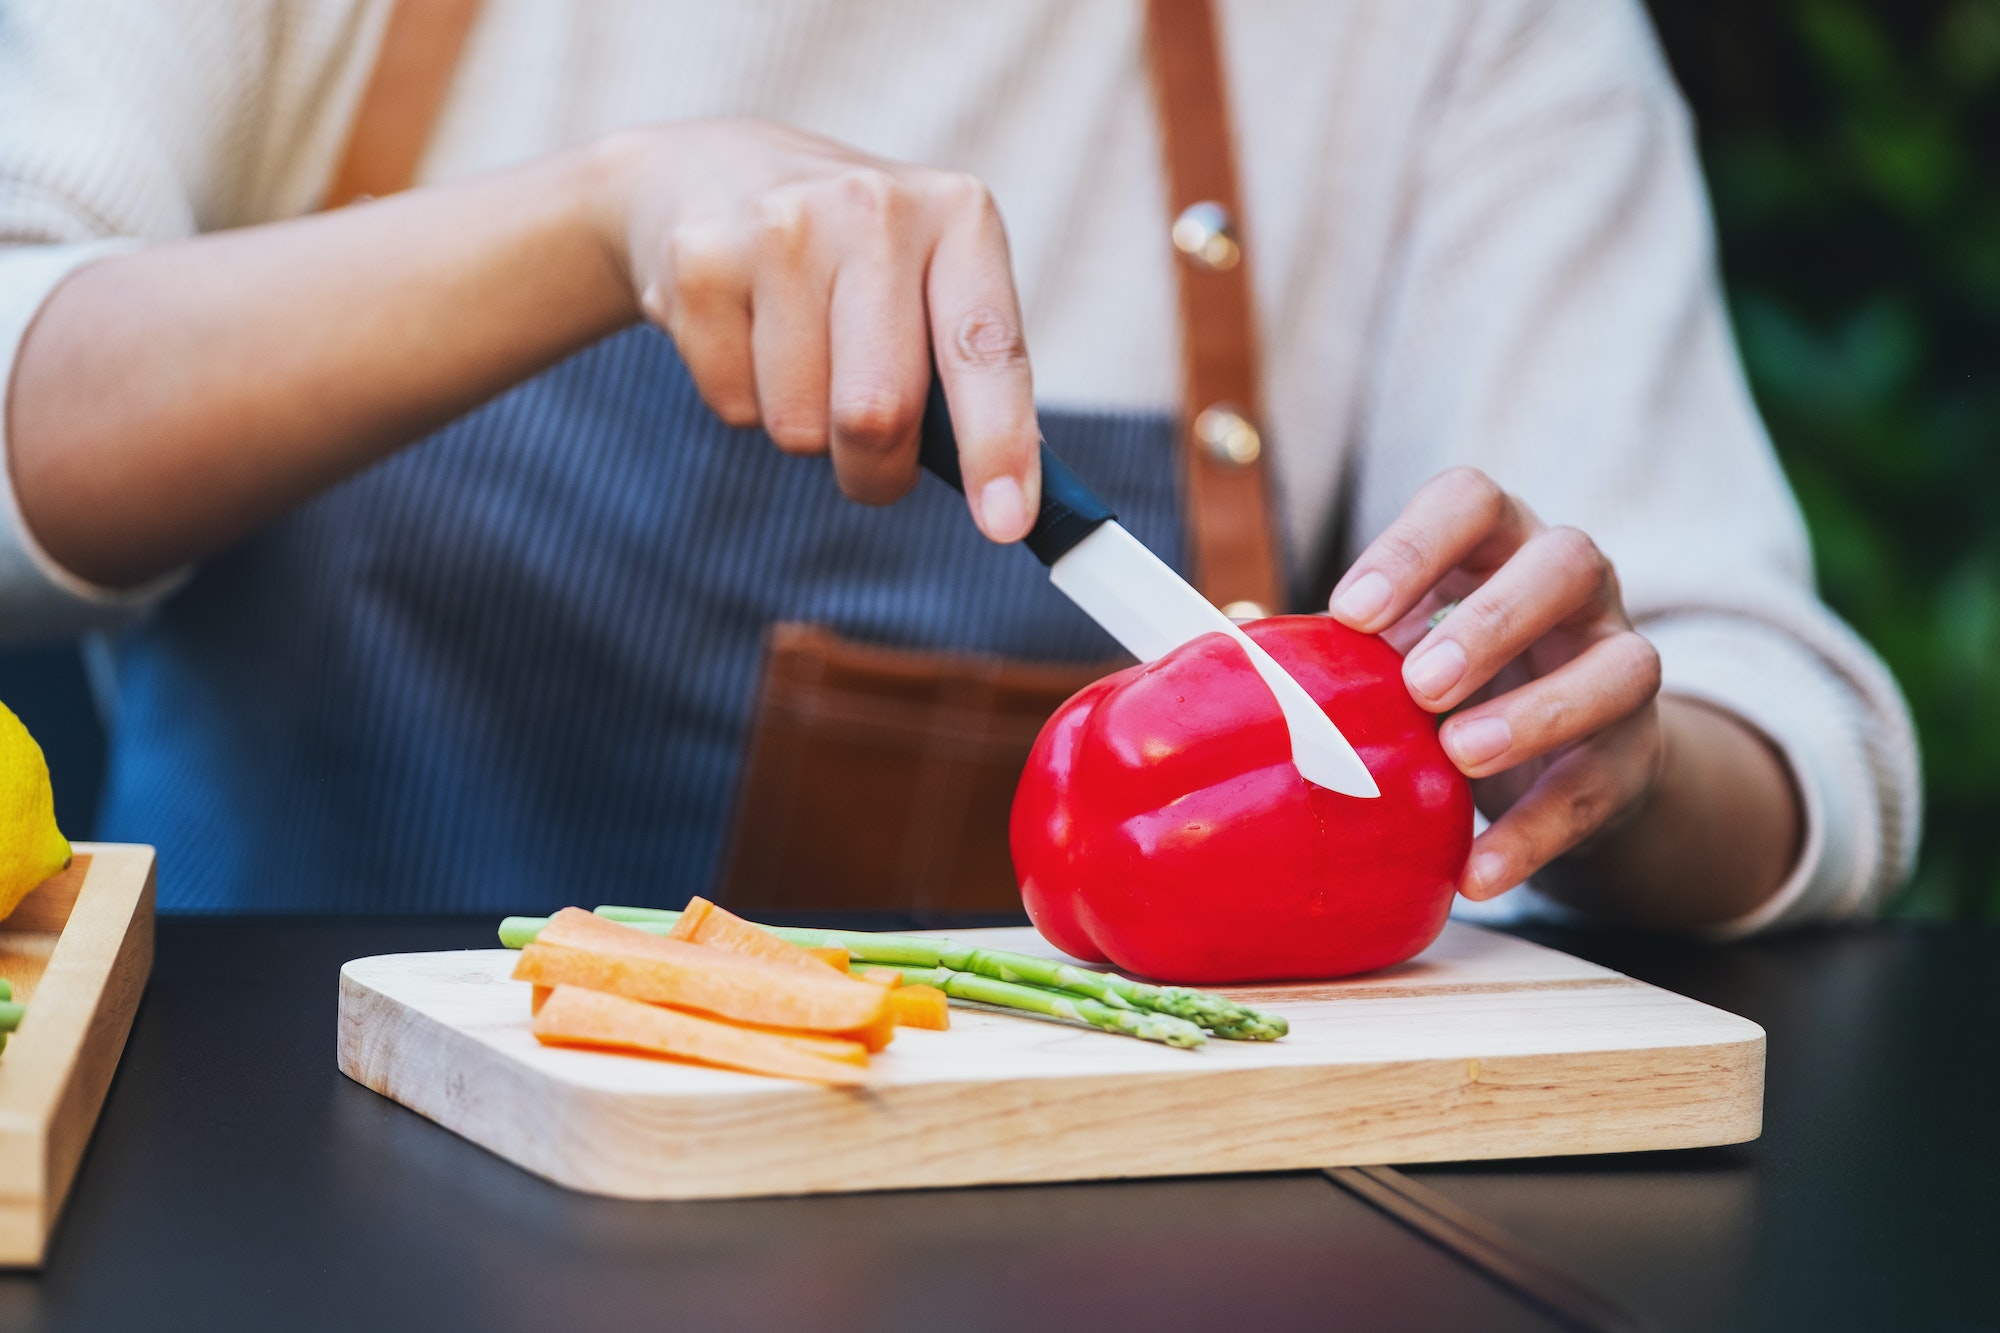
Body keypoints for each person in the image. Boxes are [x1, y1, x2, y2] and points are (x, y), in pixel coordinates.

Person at [0, 0, 1916, 932]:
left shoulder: (1446, 30)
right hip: (269, 1225)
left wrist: (1600, 750)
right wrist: (594, 224)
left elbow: (1785, 731)